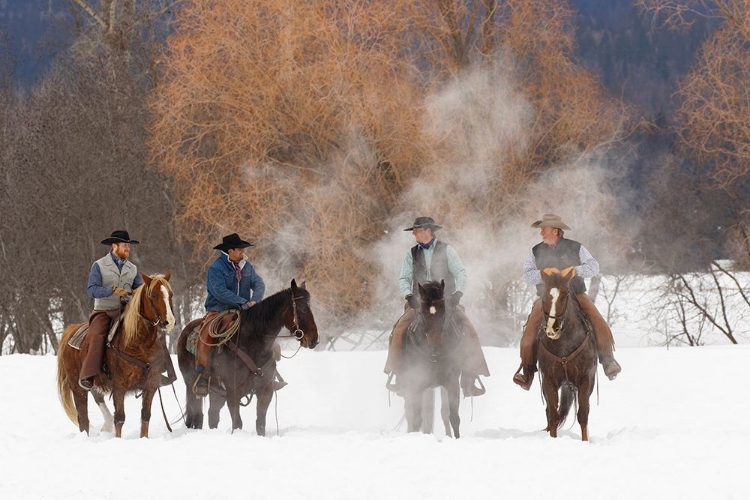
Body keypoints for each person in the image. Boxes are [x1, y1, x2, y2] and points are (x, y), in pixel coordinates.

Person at [512, 213, 622, 390]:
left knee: (598, 320)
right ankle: (527, 369)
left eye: (544, 230)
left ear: (555, 231)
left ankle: (608, 360)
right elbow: (526, 275)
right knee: (531, 327)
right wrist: (542, 273)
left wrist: (575, 270)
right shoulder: (535, 251)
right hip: (547, 298)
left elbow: (594, 267)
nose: (541, 233)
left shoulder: (576, 247)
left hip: (575, 294)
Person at [383, 216, 490, 397]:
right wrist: (409, 295)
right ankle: (399, 375)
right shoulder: (411, 253)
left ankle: (471, 377)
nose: (414, 234)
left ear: (428, 231)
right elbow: (404, 278)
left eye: (416, 230)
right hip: (419, 304)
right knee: (399, 330)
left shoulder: (447, 250)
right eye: (414, 231)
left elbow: (461, 273)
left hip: (445, 303)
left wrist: (458, 294)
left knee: (469, 331)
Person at [193, 233, 266, 397]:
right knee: (207, 336)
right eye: (239, 249)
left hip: (245, 311)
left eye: (242, 249)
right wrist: (241, 302)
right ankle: (202, 375)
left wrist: (255, 300)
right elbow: (219, 291)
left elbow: (258, 283)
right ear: (230, 250)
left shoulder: (247, 266)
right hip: (218, 310)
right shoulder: (216, 268)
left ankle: (266, 373)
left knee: (264, 335)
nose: (242, 251)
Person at [80, 230, 144, 390]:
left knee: (150, 331)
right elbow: (91, 290)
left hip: (128, 312)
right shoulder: (99, 265)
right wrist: (111, 290)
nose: (128, 248)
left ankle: (159, 371)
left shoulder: (133, 268)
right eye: (125, 245)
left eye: (129, 245)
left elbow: (140, 289)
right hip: (104, 311)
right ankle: (89, 375)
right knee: (96, 336)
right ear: (114, 246)